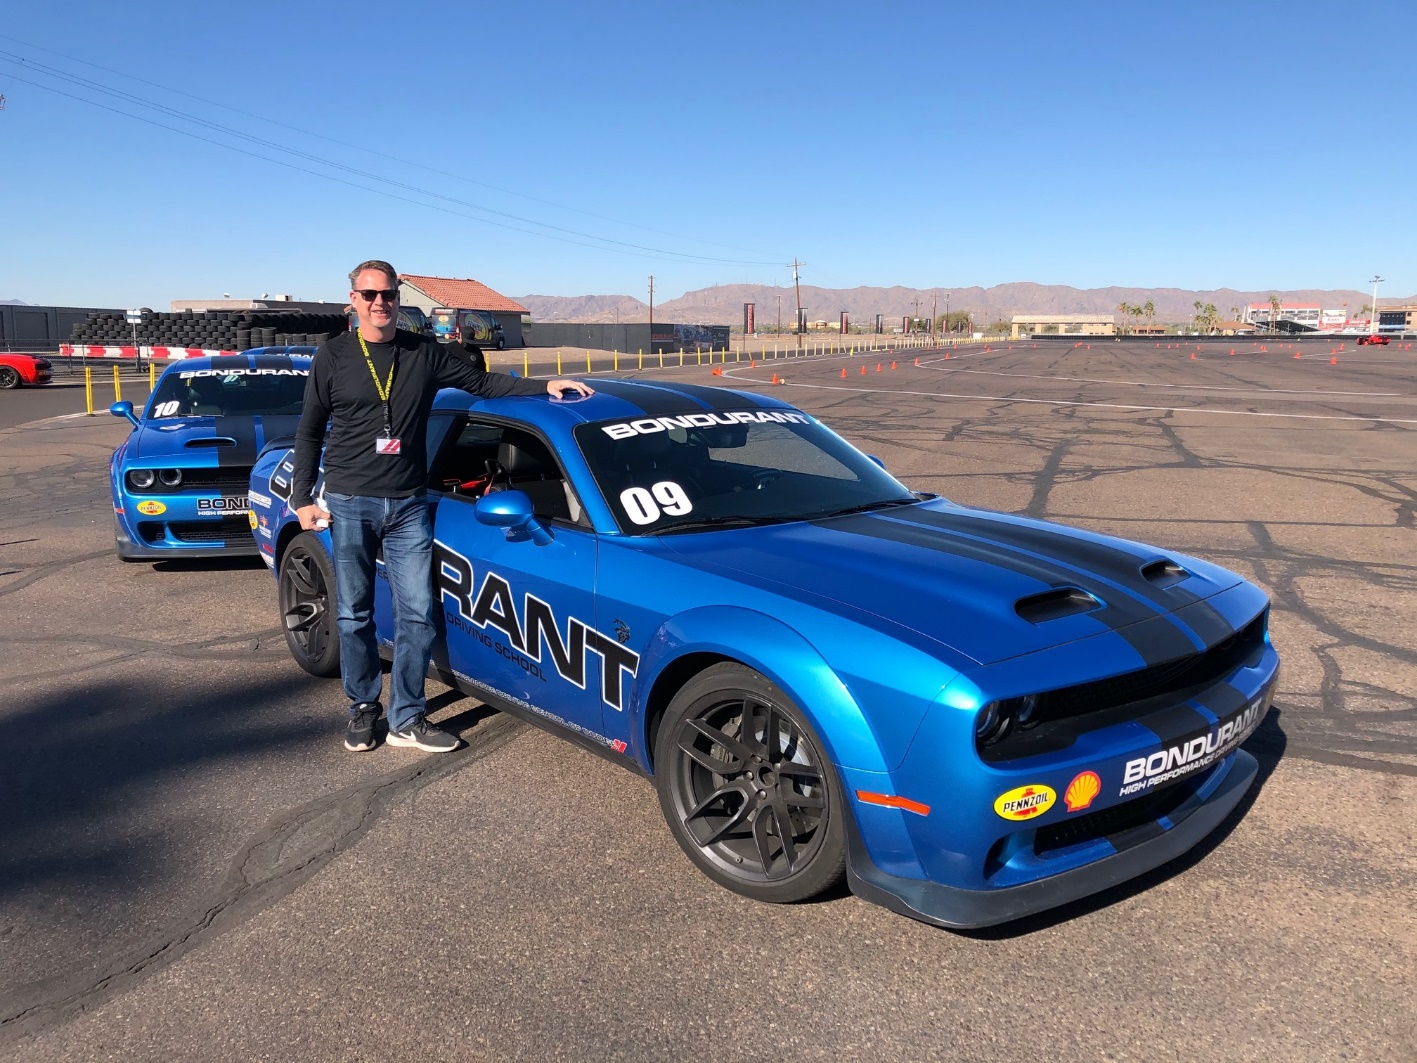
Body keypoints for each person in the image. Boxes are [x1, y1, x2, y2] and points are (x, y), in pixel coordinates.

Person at [290, 260, 592, 754]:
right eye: (369, 295)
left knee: (417, 615)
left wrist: (545, 386)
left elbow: (485, 385)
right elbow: (308, 431)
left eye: (387, 294)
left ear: (398, 299)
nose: (379, 303)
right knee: (352, 615)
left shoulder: (424, 353)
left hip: (408, 504)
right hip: (350, 500)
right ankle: (363, 708)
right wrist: (303, 499)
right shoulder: (334, 356)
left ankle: (406, 716)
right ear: (353, 300)